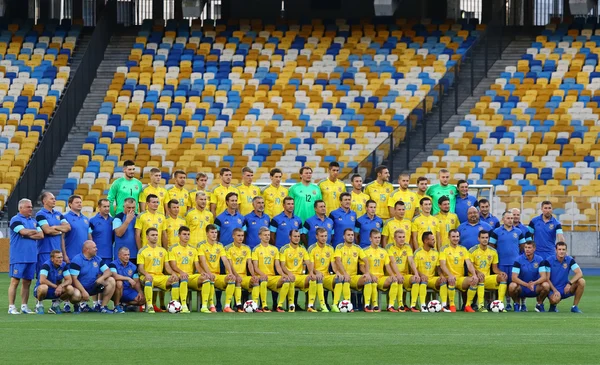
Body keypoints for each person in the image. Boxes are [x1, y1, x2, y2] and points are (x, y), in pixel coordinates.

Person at [8, 198, 44, 314]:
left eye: (31, 207)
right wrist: (31, 232)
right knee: (15, 281)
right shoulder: (15, 219)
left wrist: (28, 232)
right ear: (21, 208)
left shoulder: (33, 221)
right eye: (28, 207)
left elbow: (41, 235)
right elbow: (23, 232)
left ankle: (24, 306)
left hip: (32, 256)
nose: (31, 209)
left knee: (27, 282)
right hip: (19, 256)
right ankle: (11, 307)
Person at [489, 211, 526, 310]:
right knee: (504, 284)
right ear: (503, 219)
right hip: (502, 263)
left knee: (516, 284)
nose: (510, 220)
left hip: (515, 264)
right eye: (508, 218)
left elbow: (523, 247)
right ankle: (508, 303)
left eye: (511, 218)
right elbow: (491, 247)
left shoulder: (518, 232)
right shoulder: (496, 232)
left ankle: (521, 303)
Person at [197, 224, 237, 313]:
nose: (214, 234)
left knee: (231, 279)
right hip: (207, 274)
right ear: (207, 233)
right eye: (212, 232)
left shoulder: (220, 245)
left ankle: (227, 306)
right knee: (208, 279)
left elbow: (225, 261)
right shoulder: (201, 245)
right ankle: (211, 306)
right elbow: (202, 262)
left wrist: (230, 273)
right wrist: (209, 273)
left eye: (215, 232)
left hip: (217, 275)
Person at [137, 228, 178, 313]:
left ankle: (174, 305)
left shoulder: (163, 250)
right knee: (148, 280)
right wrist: (146, 274)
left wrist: (173, 273)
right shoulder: (142, 251)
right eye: (153, 235)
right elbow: (140, 268)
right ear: (147, 237)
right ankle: (150, 305)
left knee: (174, 281)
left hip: (160, 276)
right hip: (146, 276)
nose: (155, 237)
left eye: (156, 235)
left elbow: (167, 267)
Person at [252, 227, 292, 312]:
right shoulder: (256, 249)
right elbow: (255, 267)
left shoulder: (274, 249)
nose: (267, 237)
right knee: (263, 280)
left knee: (286, 281)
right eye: (265, 235)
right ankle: (264, 305)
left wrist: (283, 275)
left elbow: (277, 266)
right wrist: (262, 274)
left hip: (272, 277)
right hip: (261, 276)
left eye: (268, 235)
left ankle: (279, 305)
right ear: (260, 236)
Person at [69, 240, 116, 313]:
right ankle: (78, 305)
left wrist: (102, 278)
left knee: (111, 280)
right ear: (87, 249)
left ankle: (103, 307)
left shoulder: (97, 259)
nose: (96, 249)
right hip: (80, 288)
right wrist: (83, 291)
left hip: (93, 285)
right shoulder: (77, 260)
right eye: (94, 247)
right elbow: (74, 279)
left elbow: (108, 271)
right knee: (76, 295)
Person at [439, 229, 479, 312]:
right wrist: (449, 275)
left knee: (474, 280)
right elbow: (442, 265)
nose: (455, 238)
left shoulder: (463, 249)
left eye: (457, 236)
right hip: (448, 277)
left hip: (460, 278)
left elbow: (469, 264)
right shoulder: (444, 249)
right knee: (452, 280)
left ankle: (467, 305)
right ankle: (452, 305)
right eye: (453, 236)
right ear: (449, 237)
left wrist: (474, 274)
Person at [334, 229, 373, 312]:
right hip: (342, 276)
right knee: (345, 280)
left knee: (367, 279)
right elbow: (338, 261)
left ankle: (366, 305)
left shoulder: (357, 248)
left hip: (354, 277)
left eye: (352, 235)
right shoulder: (339, 247)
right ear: (344, 237)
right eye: (348, 235)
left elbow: (366, 260)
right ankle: (348, 304)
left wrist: (367, 273)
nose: (351, 237)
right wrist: (344, 273)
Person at [469, 230, 508, 313]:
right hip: (475, 278)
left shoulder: (493, 251)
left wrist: (501, 272)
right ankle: (481, 305)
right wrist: (477, 272)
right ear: (478, 239)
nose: (485, 239)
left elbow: (494, 269)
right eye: (482, 238)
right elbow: (470, 266)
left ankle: (500, 305)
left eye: (486, 238)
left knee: (503, 278)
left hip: (487, 278)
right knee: (481, 277)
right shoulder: (472, 250)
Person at [168, 226, 205, 313]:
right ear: (179, 235)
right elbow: (173, 265)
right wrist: (181, 272)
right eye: (184, 234)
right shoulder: (173, 249)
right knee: (184, 277)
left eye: (188, 234)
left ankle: (204, 306)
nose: (186, 236)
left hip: (191, 276)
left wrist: (203, 273)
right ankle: (184, 306)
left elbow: (197, 266)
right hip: (179, 275)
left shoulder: (193, 249)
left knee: (205, 279)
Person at [280, 230, 317, 312]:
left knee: (313, 279)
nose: (297, 238)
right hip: (290, 276)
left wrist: (311, 272)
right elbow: (282, 265)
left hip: (300, 277)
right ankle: (291, 305)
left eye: (298, 236)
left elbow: (308, 262)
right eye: (295, 236)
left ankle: (310, 305)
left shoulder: (303, 249)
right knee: (291, 279)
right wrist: (289, 273)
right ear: (290, 237)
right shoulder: (284, 249)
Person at [34, 250, 80, 314]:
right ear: (52, 259)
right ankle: (39, 305)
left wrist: (61, 286)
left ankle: (55, 305)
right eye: (58, 257)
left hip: (56, 290)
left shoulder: (64, 265)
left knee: (70, 289)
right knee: (43, 287)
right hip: (44, 289)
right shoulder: (46, 265)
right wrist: (56, 286)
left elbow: (69, 280)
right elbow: (42, 280)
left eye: (61, 257)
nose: (60, 259)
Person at [508, 241, 550, 312]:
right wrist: (526, 285)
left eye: (529, 248)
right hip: (522, 287)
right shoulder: (518, 260)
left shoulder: (539, 259)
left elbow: (544, 277)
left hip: (534, 287)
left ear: (534, 249)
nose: (527, 249)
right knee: (512, 286)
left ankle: (539, 304)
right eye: (526, 247)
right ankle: (516, 304)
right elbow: (514, 277)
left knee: (546, 285)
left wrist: (534, 283)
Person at [544, 242, 585, 313]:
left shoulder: (569, 260)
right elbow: (547, 278)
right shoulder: (548, 260)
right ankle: (552, 306)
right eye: (559, 249)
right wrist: (555, 290)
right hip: (553, 288)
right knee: (555, 300)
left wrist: (570, 283)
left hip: (565, 288)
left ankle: (574, 307)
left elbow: (579, 273)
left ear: (566, 251)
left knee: (582, 281)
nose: (561, 251)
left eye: (563, 249)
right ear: (555, 250)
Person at [35, 192, 71, 275]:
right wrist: (61, 230)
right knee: (43, 277)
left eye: (54, 198)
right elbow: (47, 230)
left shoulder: (58, 214)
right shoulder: (40, 214)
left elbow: (68, 227)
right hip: (45, 251)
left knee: (56, 277)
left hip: (57, 251)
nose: (54, 200)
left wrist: (54, 227)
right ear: (44, 201)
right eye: (51, 199)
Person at [363, 230, 398, 312]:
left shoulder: (384, 251)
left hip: (381, 278)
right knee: (372, 282)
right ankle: (373, 305)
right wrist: (371, 275)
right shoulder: (365, 251)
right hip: (371, 277)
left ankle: (390, 306)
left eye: (379, 237)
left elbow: (387, 266)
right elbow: (362, 267)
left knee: (394, 280)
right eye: (375, 238)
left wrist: (392, 275)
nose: (377, 240)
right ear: (370, 239)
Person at [386, 229, 420, 313]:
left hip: (405, 275)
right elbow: (392, 262)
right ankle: (392, 305)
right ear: (394, 238)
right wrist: (397, 274)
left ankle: (413, 305)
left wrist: (416, 274)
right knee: (397, 280)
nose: (402, 239)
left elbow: (411, 261)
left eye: (403, 237)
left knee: (415, 279)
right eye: (399, 237)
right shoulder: (389, 247)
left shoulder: (407, 247)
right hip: (393, 275)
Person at [226, 228, 260, 311]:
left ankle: (255, 305)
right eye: (238, 236)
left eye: (242, 236)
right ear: (233, 236)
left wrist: (253, 275)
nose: (241, 238)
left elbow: (249, 263)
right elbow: (229, 264)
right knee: (237, 280)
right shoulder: (228, 248)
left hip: (244, 276)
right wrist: (236, 275)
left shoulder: (247, 248)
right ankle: (238, 305)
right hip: (232, 276)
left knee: (255, 280)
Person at [413, 232, 448, 312]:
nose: (434, 241)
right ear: (426, 241)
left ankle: (444, 306)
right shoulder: (417, 252)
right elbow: (414, 268)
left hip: (432, 278)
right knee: (423, 280)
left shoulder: (435, 252)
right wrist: (421, 275)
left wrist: (441, 275)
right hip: (421, 278)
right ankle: (423, 305)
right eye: (432, 239)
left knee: (443, 281)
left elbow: (438, 268)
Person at [308, 228, 336, 312]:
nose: (324, 238)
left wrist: (338, 273)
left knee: (339, 279)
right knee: (318, 278)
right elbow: (310, 266)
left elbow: (334, 266)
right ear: (317, 236)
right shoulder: (312, 248)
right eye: (321, 236)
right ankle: (322, 305)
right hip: (316, 275)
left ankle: (335, 304)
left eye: (325, 236)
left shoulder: (330, 248)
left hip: (327, 276)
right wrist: (317, 272)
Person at [109, 247, 145, 313]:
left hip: (128, 290)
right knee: (119, 283)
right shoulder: (113, 264)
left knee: (142, 300)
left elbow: (136, 281)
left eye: (128, 255)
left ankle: (124, 304)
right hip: (115, 290)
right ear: (119, 255)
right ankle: (116, 306)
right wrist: (128, 278)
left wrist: (140, 292)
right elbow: (115, 276)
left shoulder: (133, 267)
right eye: (125, 255)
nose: (127, 257)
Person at [62, 195, 92, 264]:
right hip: (71, 255)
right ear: (70, 204)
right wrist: (64, 255)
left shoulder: (86, 219)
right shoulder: (65, 218)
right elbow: (62, 238)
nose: (79, 204)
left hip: (85, 255)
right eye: (77, 202)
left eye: (80, 202)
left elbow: (89, 236)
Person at [89, 199, 114, 267]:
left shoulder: (113, 221)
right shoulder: (92, 221)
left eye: (108, 206)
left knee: (108, 276)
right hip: (96, 255)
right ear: (99, 207)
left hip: (109, 255)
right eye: (104, 206)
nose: (107, 208)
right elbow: (89, 237)